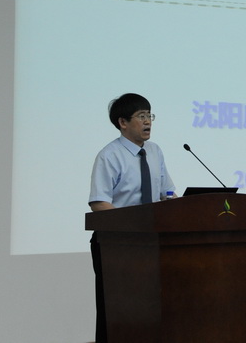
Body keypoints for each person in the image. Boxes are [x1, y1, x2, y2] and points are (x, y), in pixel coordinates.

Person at [88, 93, 176, 343]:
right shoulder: (109, 155)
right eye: (141, 116)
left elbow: (167, 193)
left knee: (150, 309)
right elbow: (99, 202)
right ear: (123, 122)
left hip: (152, 243)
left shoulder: (155, 151)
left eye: (149, 115)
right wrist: (132, 225)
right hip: (116, 244)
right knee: (116, 311)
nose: (148, 121)